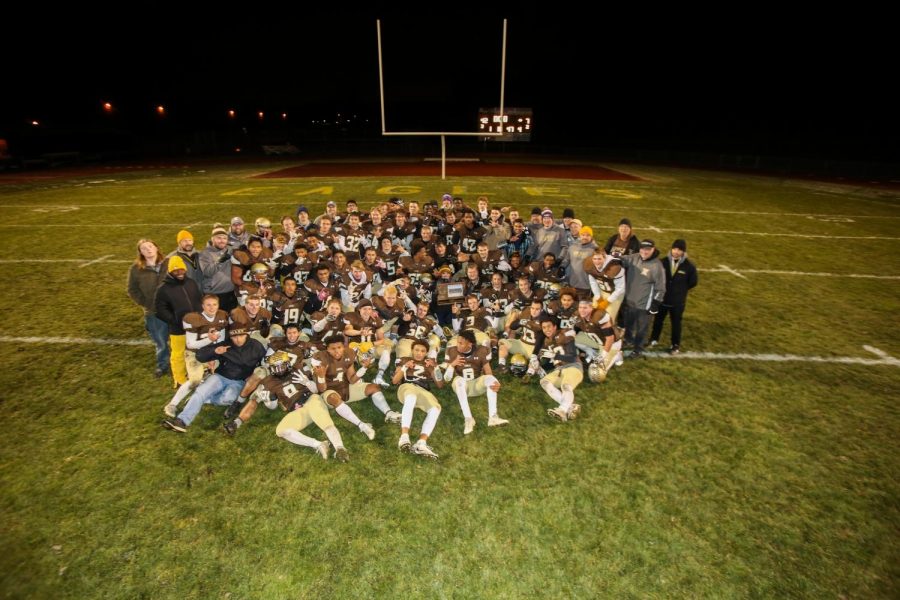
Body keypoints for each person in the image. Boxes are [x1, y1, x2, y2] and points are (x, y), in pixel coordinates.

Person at [162, 324, 267, 433]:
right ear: (230, 337)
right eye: (234, 337)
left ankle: (207, 399)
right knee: (201, 392)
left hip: (239, 381)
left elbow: (264, 364)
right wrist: (215, 351)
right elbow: (200, 355)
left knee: (228, 399)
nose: (238, 339)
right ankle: (182, 421)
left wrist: (254, 375)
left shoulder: (256, 346)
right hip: (220, 376)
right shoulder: (226, 344)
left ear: (246, 334)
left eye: (241, 336)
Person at [163, 294, 229, 418]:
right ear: (202, 306)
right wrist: (209, 339)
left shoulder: (222, 316)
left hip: (212, 352)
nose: (211, 308)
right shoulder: (193, 319)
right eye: (208, 305)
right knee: (195, 380)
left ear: (218, 305)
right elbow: (191, 344)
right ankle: (172, 404)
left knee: (224, 377)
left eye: (214, 304)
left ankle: (201, 397)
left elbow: (222, 339)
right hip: (195, 354)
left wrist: (215, 356)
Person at [442, 330, 507, 435]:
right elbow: (447, 379)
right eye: (457, 342)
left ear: (470, 344)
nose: (458, 345)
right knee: (459, 381)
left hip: (477, 384)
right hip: (462, 386)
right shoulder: (453, 351)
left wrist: (494, 382)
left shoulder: (481, 350)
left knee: (492, 379)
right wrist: (452, 364)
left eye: (461, 343)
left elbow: (488, 371)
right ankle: (468, 419)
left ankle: (493, 417)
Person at [154, 256, 203, 386]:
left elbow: (199, 300)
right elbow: (159, 310)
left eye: (182, 270)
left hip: (195, 326)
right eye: (176, 271)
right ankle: (180, 378)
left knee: (197, 350)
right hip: (178, 329)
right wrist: (175, 320)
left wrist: (200, 317)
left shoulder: (191, 283)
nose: (180, 273)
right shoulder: (163, 289)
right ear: (170, 272)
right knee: (178, 354)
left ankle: (197, 373)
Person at [392, 339, 443, 459]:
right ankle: (404, 437)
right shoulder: (404, 360)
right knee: (411, 397)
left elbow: (440, 385)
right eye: (417, 350)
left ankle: (421, 443)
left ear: (426, 353)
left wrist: (436, 368)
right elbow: (395, 381)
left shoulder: (429, 364)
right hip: (407, 386)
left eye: (422, 351)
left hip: (424, 390)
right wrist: (405, 367)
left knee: (435, 409)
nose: (419, 353)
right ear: (412, 350)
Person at [126, 238, 170, 378]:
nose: (148, 250)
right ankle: (163, 365)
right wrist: (145, 303)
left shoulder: (168, 263)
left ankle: (181, 365)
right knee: (161, 341)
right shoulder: (136, 269)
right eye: (144, 248)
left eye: (150, 246)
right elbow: (132, 290)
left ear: (156, 248)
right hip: (153, 311)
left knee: (179, 339)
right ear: (140, 252)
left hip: (173, 309)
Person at [527, 315, 583, 422]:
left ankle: (562, 410)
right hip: (559, 370)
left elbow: (572, 357)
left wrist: (555, 356)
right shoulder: (546, 342)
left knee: (566, 386)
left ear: (554, 327)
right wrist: (535, 365)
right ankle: (569, 406)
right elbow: (546, 361)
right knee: (544, 382)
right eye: (544, 327)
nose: (547, 330)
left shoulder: (564, 335)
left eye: (549, 326)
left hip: (573, 366)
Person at [650, 239, 698, 354]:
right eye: (674, 249)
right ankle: (653, 339)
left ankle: (675, 344)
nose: (676, 252)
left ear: (683, 252)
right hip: (662, 298)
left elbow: (693, 282)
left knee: (676, 323)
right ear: (671, 249)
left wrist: (680, 290)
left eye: (679, 250)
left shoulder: (689, 266)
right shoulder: (663, 262)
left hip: (677, 302)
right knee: (658, 320)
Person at [620, 240, 666, 358]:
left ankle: (638, 349)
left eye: (647, 249)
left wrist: (655, 303)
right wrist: (615, 257)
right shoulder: (634, 257)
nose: (644, 251)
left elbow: (660, 288)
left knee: (641, 329)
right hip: (630, 300)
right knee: (629, 324)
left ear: (653, 249)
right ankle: (628, 340)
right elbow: (623, 259)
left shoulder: (657, 266)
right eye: (642, 249)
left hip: (644, 304)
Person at [199, 224, 238, 312]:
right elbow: (207, 272)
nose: (222, 241)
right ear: (213, 239)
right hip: (214, 295)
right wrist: (220, 261)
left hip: (230, 293)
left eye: (224, 238)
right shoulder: (205, 253)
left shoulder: (229, 250)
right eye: (219, 238)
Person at [566, 226, 598, 299]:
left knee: (583, 307)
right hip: (572, 282)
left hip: (585, 285)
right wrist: (562, 266)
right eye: (583, 235)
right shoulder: (573, 247)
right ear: (580, 235)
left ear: (591, 236)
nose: (585, 237)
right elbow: (567, 259)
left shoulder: (595, 249)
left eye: (588, 235)